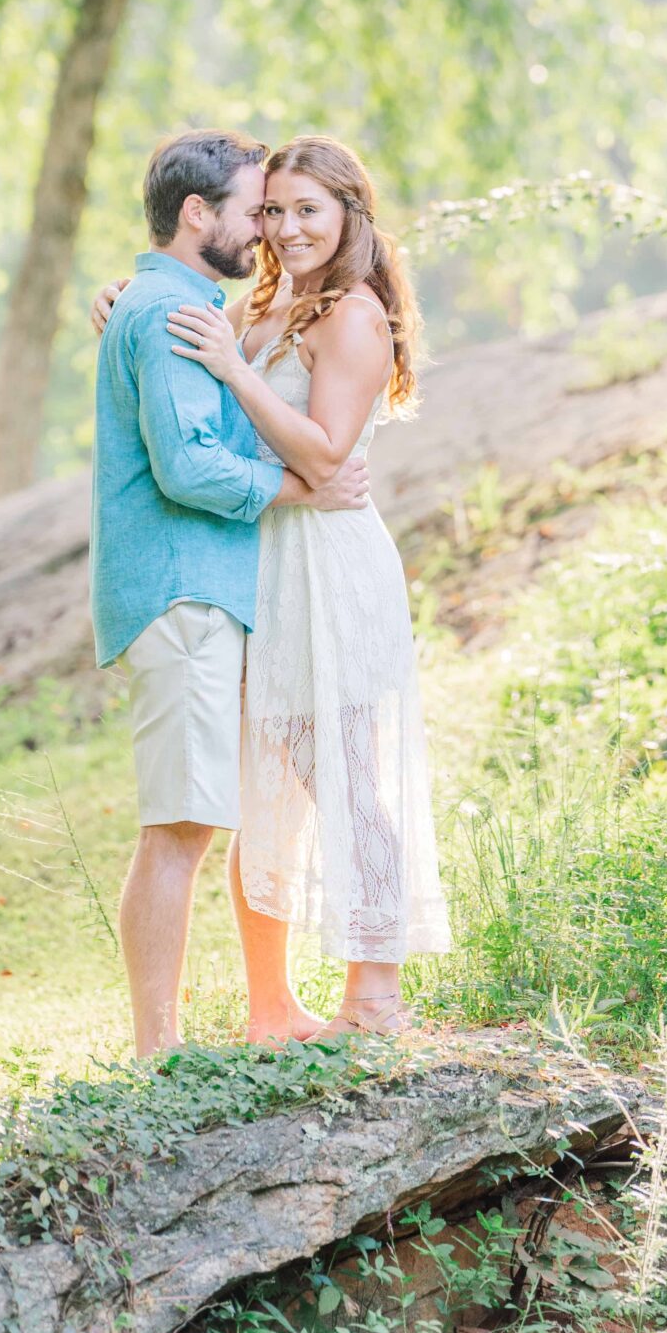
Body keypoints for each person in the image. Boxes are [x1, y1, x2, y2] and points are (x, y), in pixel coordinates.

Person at [95, 132, 450, 1039]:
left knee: (343, 777)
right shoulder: (268, 304)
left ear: (349, 217)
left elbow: (325, 452)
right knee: (268, 786)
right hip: (261, 556)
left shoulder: (353, 315)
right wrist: (131, 316)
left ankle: (373, 996)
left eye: (305, 211)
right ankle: (270, 1004)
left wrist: (230, 371)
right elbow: (189, 385)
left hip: (328, 559)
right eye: (272, 210)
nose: (282, 229)